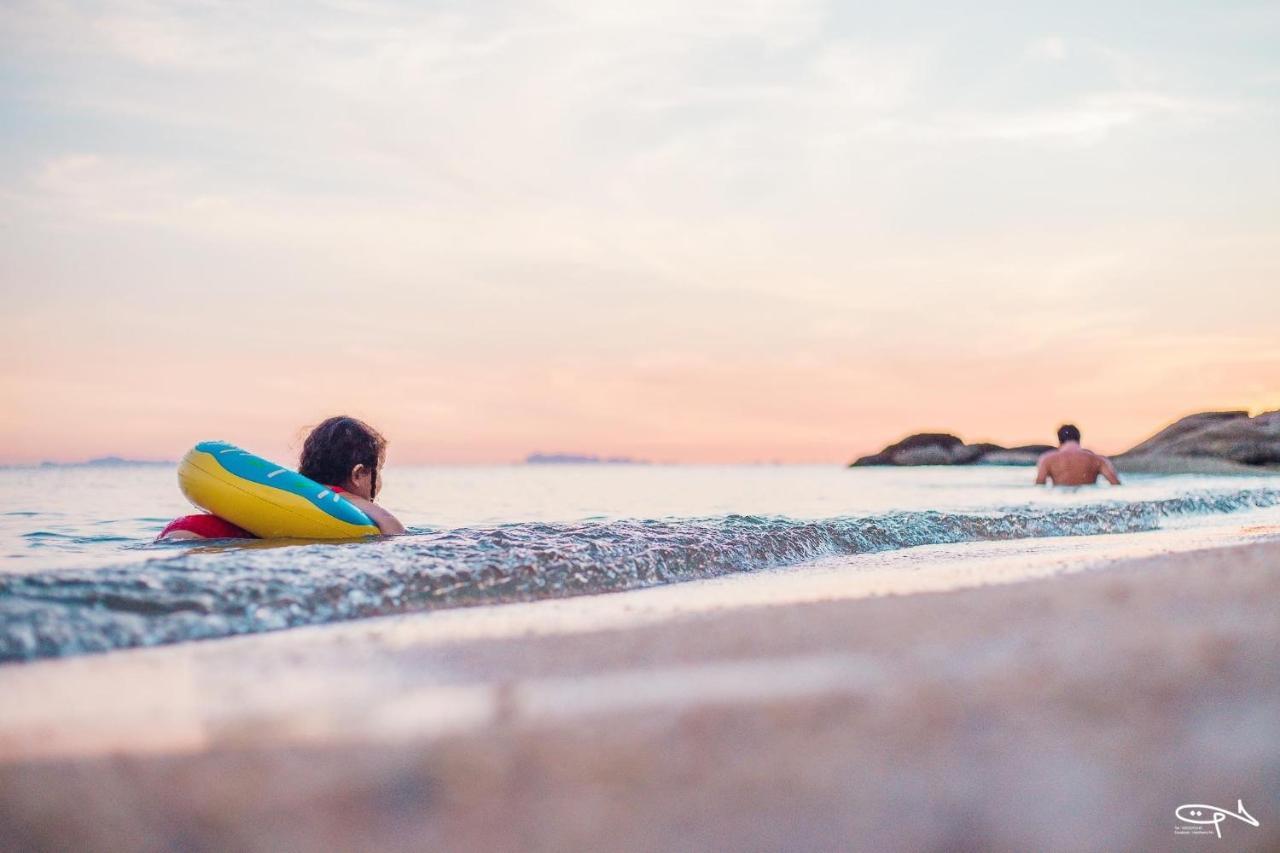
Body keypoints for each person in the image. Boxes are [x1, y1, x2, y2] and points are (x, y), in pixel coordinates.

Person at [158, 416, 406, 539]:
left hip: (186, 530)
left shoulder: (293, 494)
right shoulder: (341, 502)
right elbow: (391, 527)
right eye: (378, 470)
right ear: (358, 473)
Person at [1035, 424, 1121, 487]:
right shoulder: (1097, 459)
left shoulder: (1047, 459)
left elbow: (1040, 486)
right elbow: (1115, 484)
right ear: (1079, 439)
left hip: (1061, 499)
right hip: (1088, 500)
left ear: (1059, 440)